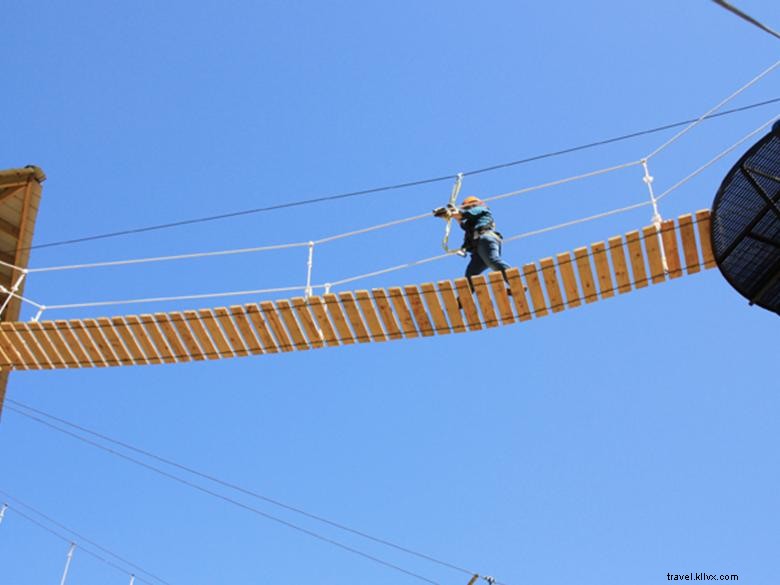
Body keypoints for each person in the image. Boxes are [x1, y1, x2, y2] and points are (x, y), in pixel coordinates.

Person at [444, 196, 512, 282]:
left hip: (485, 239)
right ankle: (466, 294)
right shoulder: (472, 221)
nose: (467, 209)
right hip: (478, 248)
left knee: (493, 260)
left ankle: (514, 280)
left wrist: (450, 213)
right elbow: (464, 224)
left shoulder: (481, 209)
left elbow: (464, 215)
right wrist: (452, 214)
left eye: (468, 207)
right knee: (470, 274)